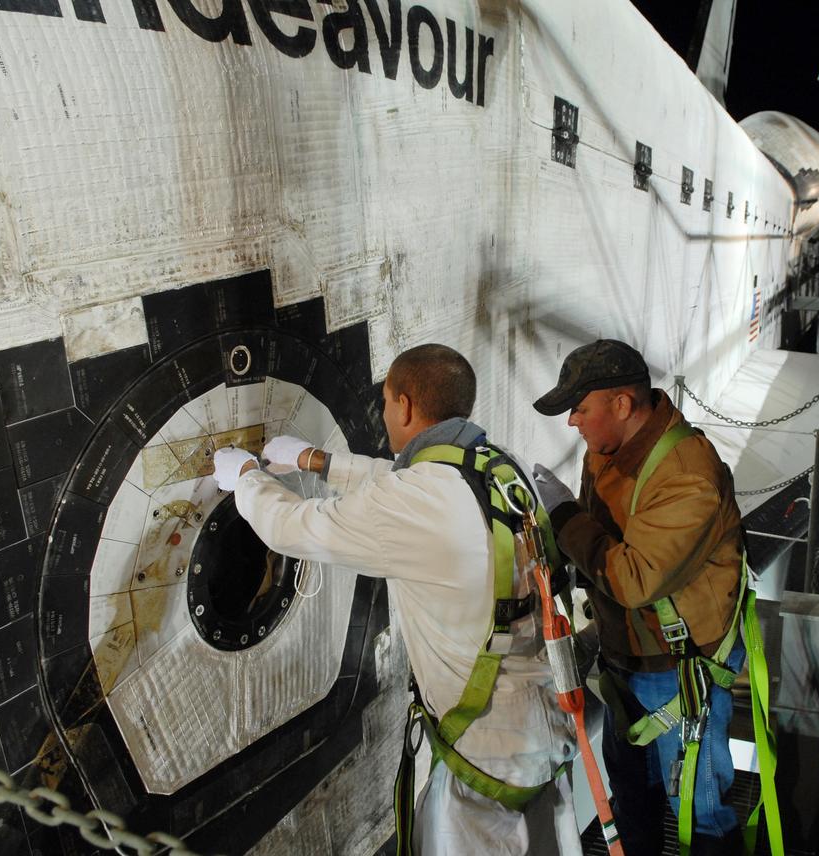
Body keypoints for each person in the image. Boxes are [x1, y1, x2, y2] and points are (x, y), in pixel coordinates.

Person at [212, 344, 581, 856]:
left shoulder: (415, 501)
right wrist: (316, 461)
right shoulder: (502, 468)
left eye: (385, 401)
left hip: (485, 760)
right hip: (545, 726)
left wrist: (248, 479)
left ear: (404, 405)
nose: (385, 413)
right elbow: (408, 485)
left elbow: (296, 526)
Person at [530, 339, 746, 856]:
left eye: (580, 409)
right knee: (632, 796)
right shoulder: (608, 452)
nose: (572, 423)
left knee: (700, 805)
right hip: (627, 659)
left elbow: (633, 579)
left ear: (621, 405)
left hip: (679, 671)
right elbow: (597, 544)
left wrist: (562, 516)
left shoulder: (686, 473)